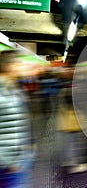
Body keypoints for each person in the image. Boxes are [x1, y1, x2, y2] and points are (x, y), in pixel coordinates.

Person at [0, 50, 35, 188]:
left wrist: (28, 147)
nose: (22, 66)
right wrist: (9, 162)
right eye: (18, 63)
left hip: (19, 158)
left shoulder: (12, 88)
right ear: (10, 67)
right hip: (8, 166)